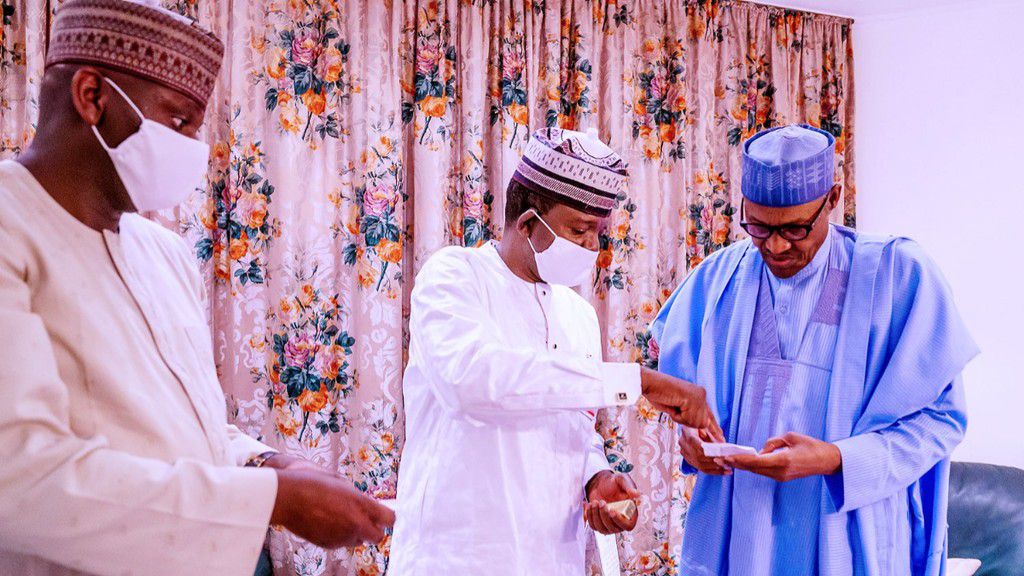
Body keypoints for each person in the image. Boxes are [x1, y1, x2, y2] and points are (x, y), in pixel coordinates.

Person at [0, 1, 393, 574]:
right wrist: (274, 501)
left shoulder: (162, 252)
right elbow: (20, 476)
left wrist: (267, 466)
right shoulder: (11, 224)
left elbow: (179, 428)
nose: (191, 147)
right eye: (179, 120)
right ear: (92, 97)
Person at [389, 127, 719, 575]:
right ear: (527, 224)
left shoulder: (578, 314)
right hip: (459, 558)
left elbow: (569, 423)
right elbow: (476, 382)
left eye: (599, 232)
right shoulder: (454, 277)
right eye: (580, 230)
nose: (592, 247)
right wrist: (635, 380)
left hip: (550, 559)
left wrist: (596, 479)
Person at [652, 124, 978, 575]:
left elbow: (941, 421)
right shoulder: (717, 280)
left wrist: (835, 459)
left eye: (796, 229)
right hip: (737, 536)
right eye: (759, 228)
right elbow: (686, 405)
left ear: (833, 198)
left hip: (850, 533)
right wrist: (692, 444)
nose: (778, 246)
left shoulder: (896, 276)